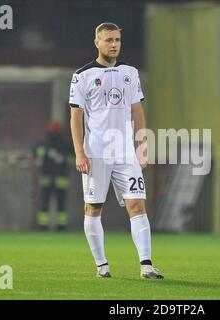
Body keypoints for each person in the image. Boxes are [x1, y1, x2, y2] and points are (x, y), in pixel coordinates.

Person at [69, 22, 163, 279]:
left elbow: (137, 111)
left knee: (137, 205)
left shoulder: (130, 73)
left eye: (117, 40)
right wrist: (80, 152)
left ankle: (146, 265)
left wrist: (142, 146)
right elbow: (75, 117)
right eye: (108, 40)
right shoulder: (82, 75)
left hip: (125, 153)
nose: (114, 44)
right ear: (97, 42)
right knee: (93, 208)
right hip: (96, 152)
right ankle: (102, 265)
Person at [33, 121, 73, 231]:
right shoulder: (63, 144)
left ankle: (45, 226)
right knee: (55, 203)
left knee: (48, 203)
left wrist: (62, 158)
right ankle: (58, 226)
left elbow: (72, 158)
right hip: (56, 178)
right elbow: (36, 154)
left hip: (52, 178)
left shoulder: (45, 143)